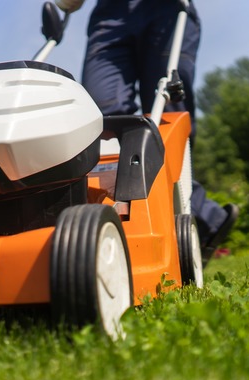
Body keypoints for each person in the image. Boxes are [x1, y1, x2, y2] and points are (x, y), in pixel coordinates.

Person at [56, 0, 238, 265]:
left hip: (166, 7)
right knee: (105, 118)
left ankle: (180, 219)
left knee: (167, 113)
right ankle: (199, 217)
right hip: (110, 13)